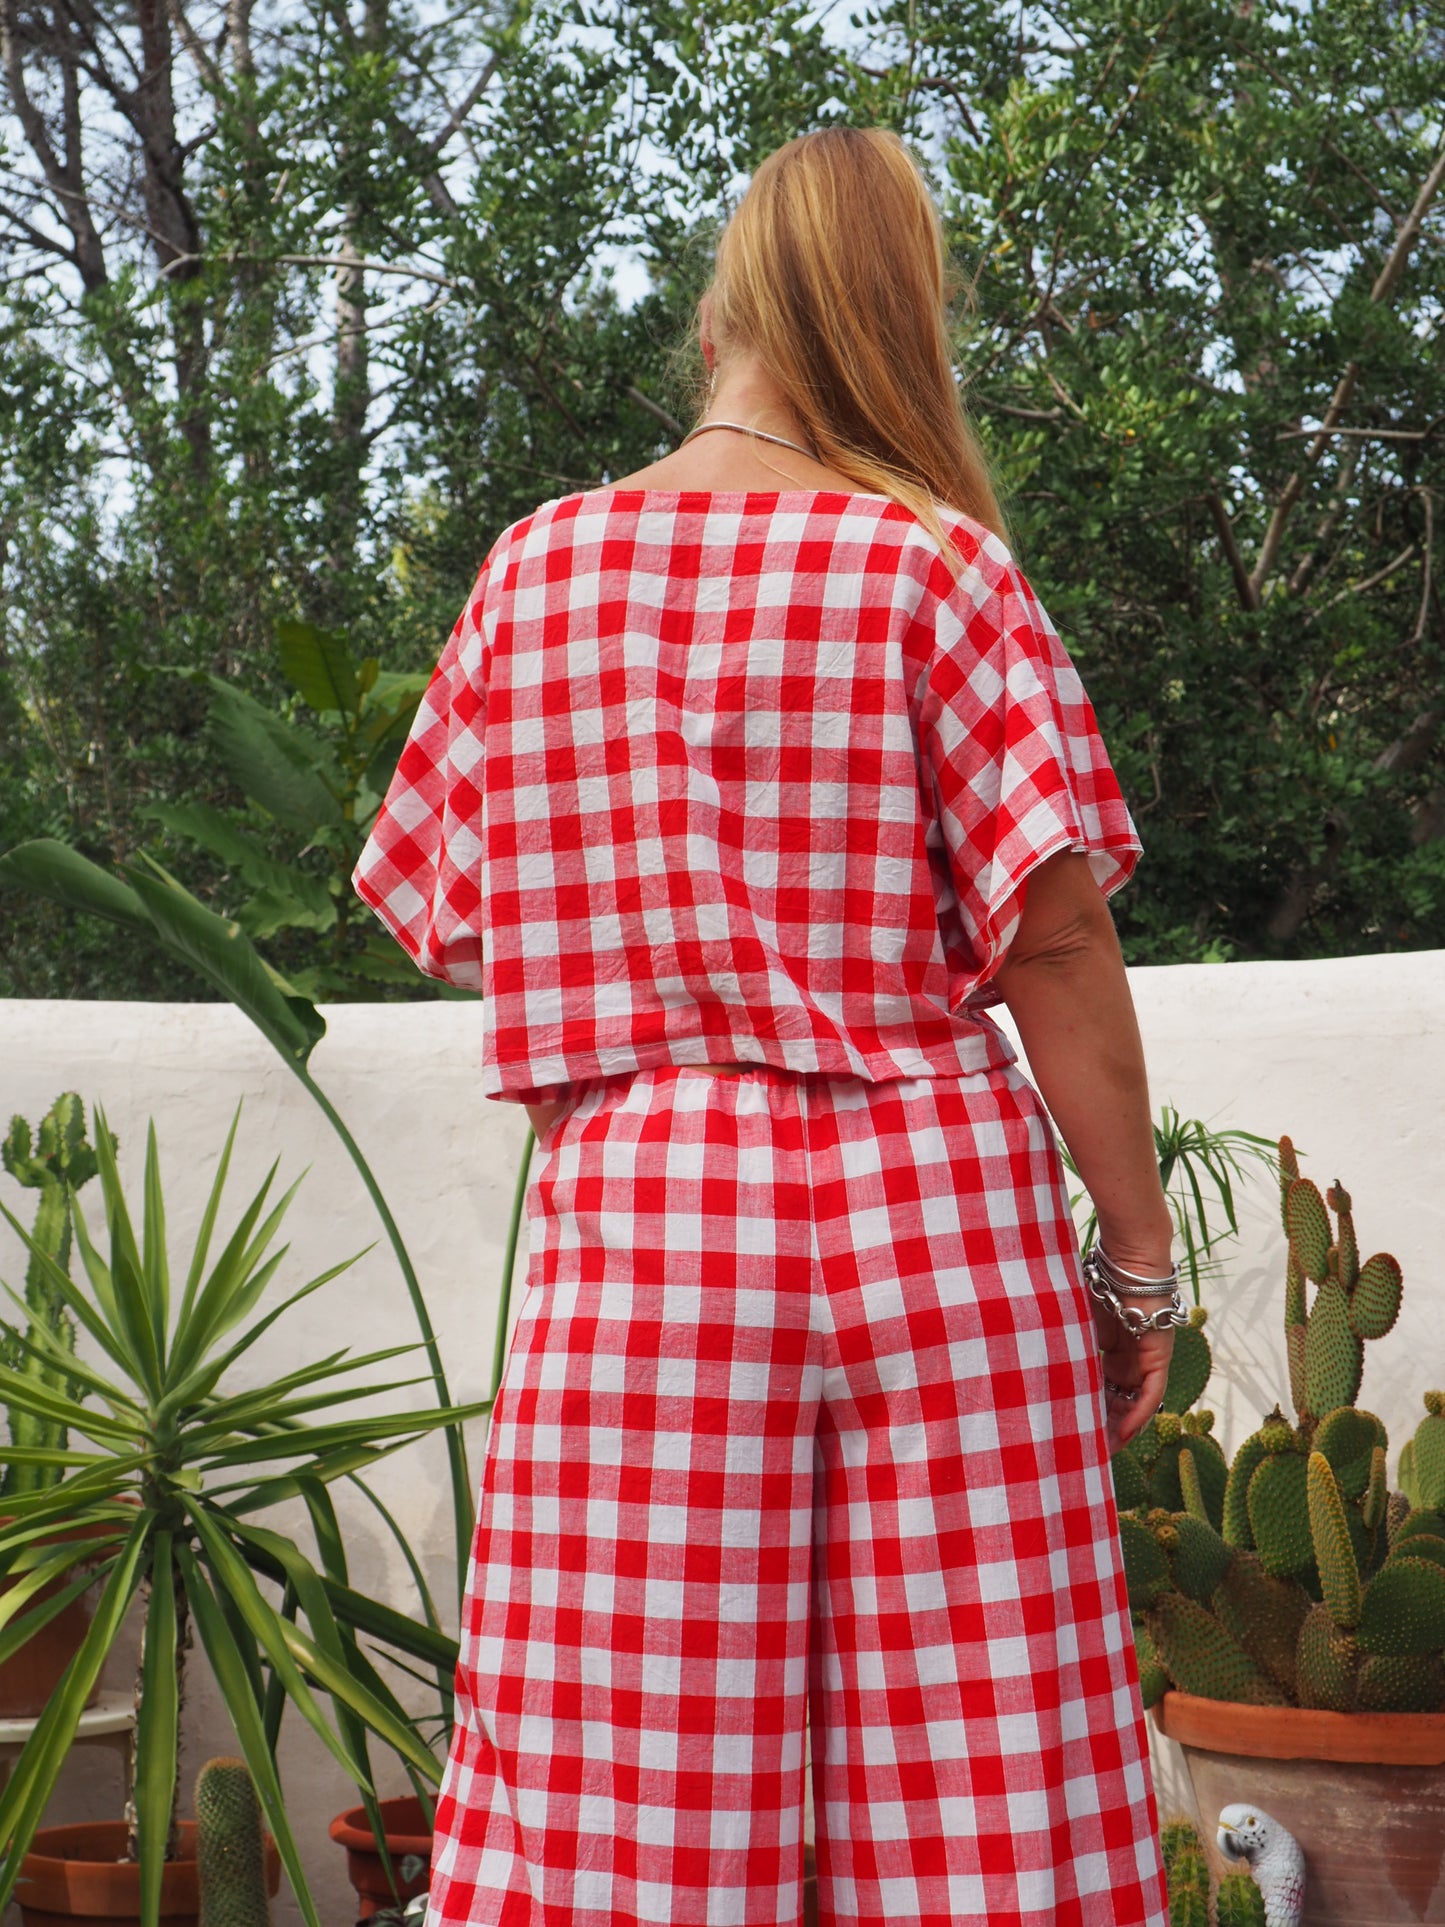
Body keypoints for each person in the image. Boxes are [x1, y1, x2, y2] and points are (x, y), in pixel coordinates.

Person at [356, 125, 1176, 1927]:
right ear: (904, 315)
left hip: (651, 1212)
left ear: (721, 302)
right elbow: (1052, 946)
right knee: (989, 1779)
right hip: (931, 1208)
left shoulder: (536, 573)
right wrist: (1134, 1261)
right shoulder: (939, 568)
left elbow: (446, 920)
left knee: (618, 1806)